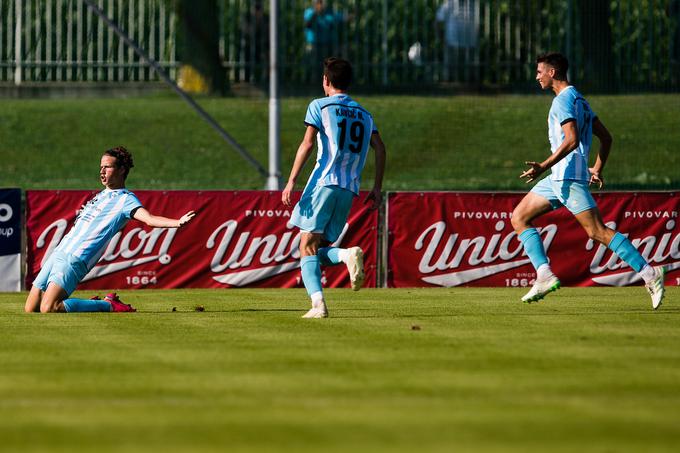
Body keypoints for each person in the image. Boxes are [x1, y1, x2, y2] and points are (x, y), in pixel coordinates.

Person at [512, 52, 665, 309]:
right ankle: (544, 275)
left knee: (597, 231)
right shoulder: (580, 100)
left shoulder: (562, 101)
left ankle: (650, 274)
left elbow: (570, 139)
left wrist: (543, 166)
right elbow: (607, 138)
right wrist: (596, 167)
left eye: (540, 71)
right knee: (519, 217)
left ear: (552, 72)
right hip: (560, 177)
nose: (537, 76)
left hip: (567, 176)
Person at [25, 147, 196, 314]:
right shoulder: (99, 195)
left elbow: (149, 219)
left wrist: (177, 223)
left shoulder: (125, 199)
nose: (102, 171)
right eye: (101, 167)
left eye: (107, 167)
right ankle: (96, 303)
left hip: (76, 258)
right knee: (31, 308)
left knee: (50, 307)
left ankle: (107, 305)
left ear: (121, 170)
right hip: (58, 253)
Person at [282, 57, 386, 319]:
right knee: (313, 248)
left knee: (306, 246)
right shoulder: (365, 114)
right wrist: (376, 187)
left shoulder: (319, 105)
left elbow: (306, 145)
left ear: (326, 81)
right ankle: (345, 255)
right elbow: (380, 149)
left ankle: (318, 304)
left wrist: (292, 180)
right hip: (349, 189)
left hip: (324, 182)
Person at [436, 0, 478, 81]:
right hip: (452, 42)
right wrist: (440, 38)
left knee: (470, 73)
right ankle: (448, 88)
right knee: (450, 71)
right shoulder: (449, 3)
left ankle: (470, 89)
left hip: (470, 43)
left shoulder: (473, 3)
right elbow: (438, 20)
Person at [303, 1, 345, 82]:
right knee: (314, 65)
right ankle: (313, 83)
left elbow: (341, 18)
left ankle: (327, 82)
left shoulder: (329, 13)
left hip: (328, 43)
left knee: (328, 66)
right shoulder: (309, 12)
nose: (321, 4)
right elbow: (307, 24)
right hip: (313, 43)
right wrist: (316, 12)